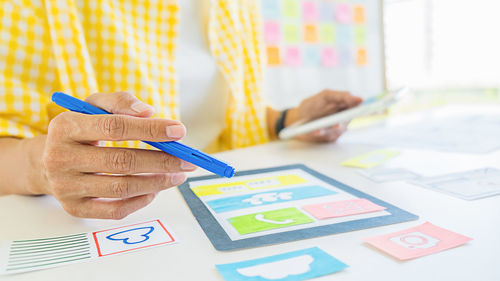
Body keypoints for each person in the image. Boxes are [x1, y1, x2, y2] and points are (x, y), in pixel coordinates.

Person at [0, 1, 362, 219]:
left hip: (214, 209)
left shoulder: (234, 7)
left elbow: (217, 118)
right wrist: (38, 166)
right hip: (100, 229)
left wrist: (288, 121)